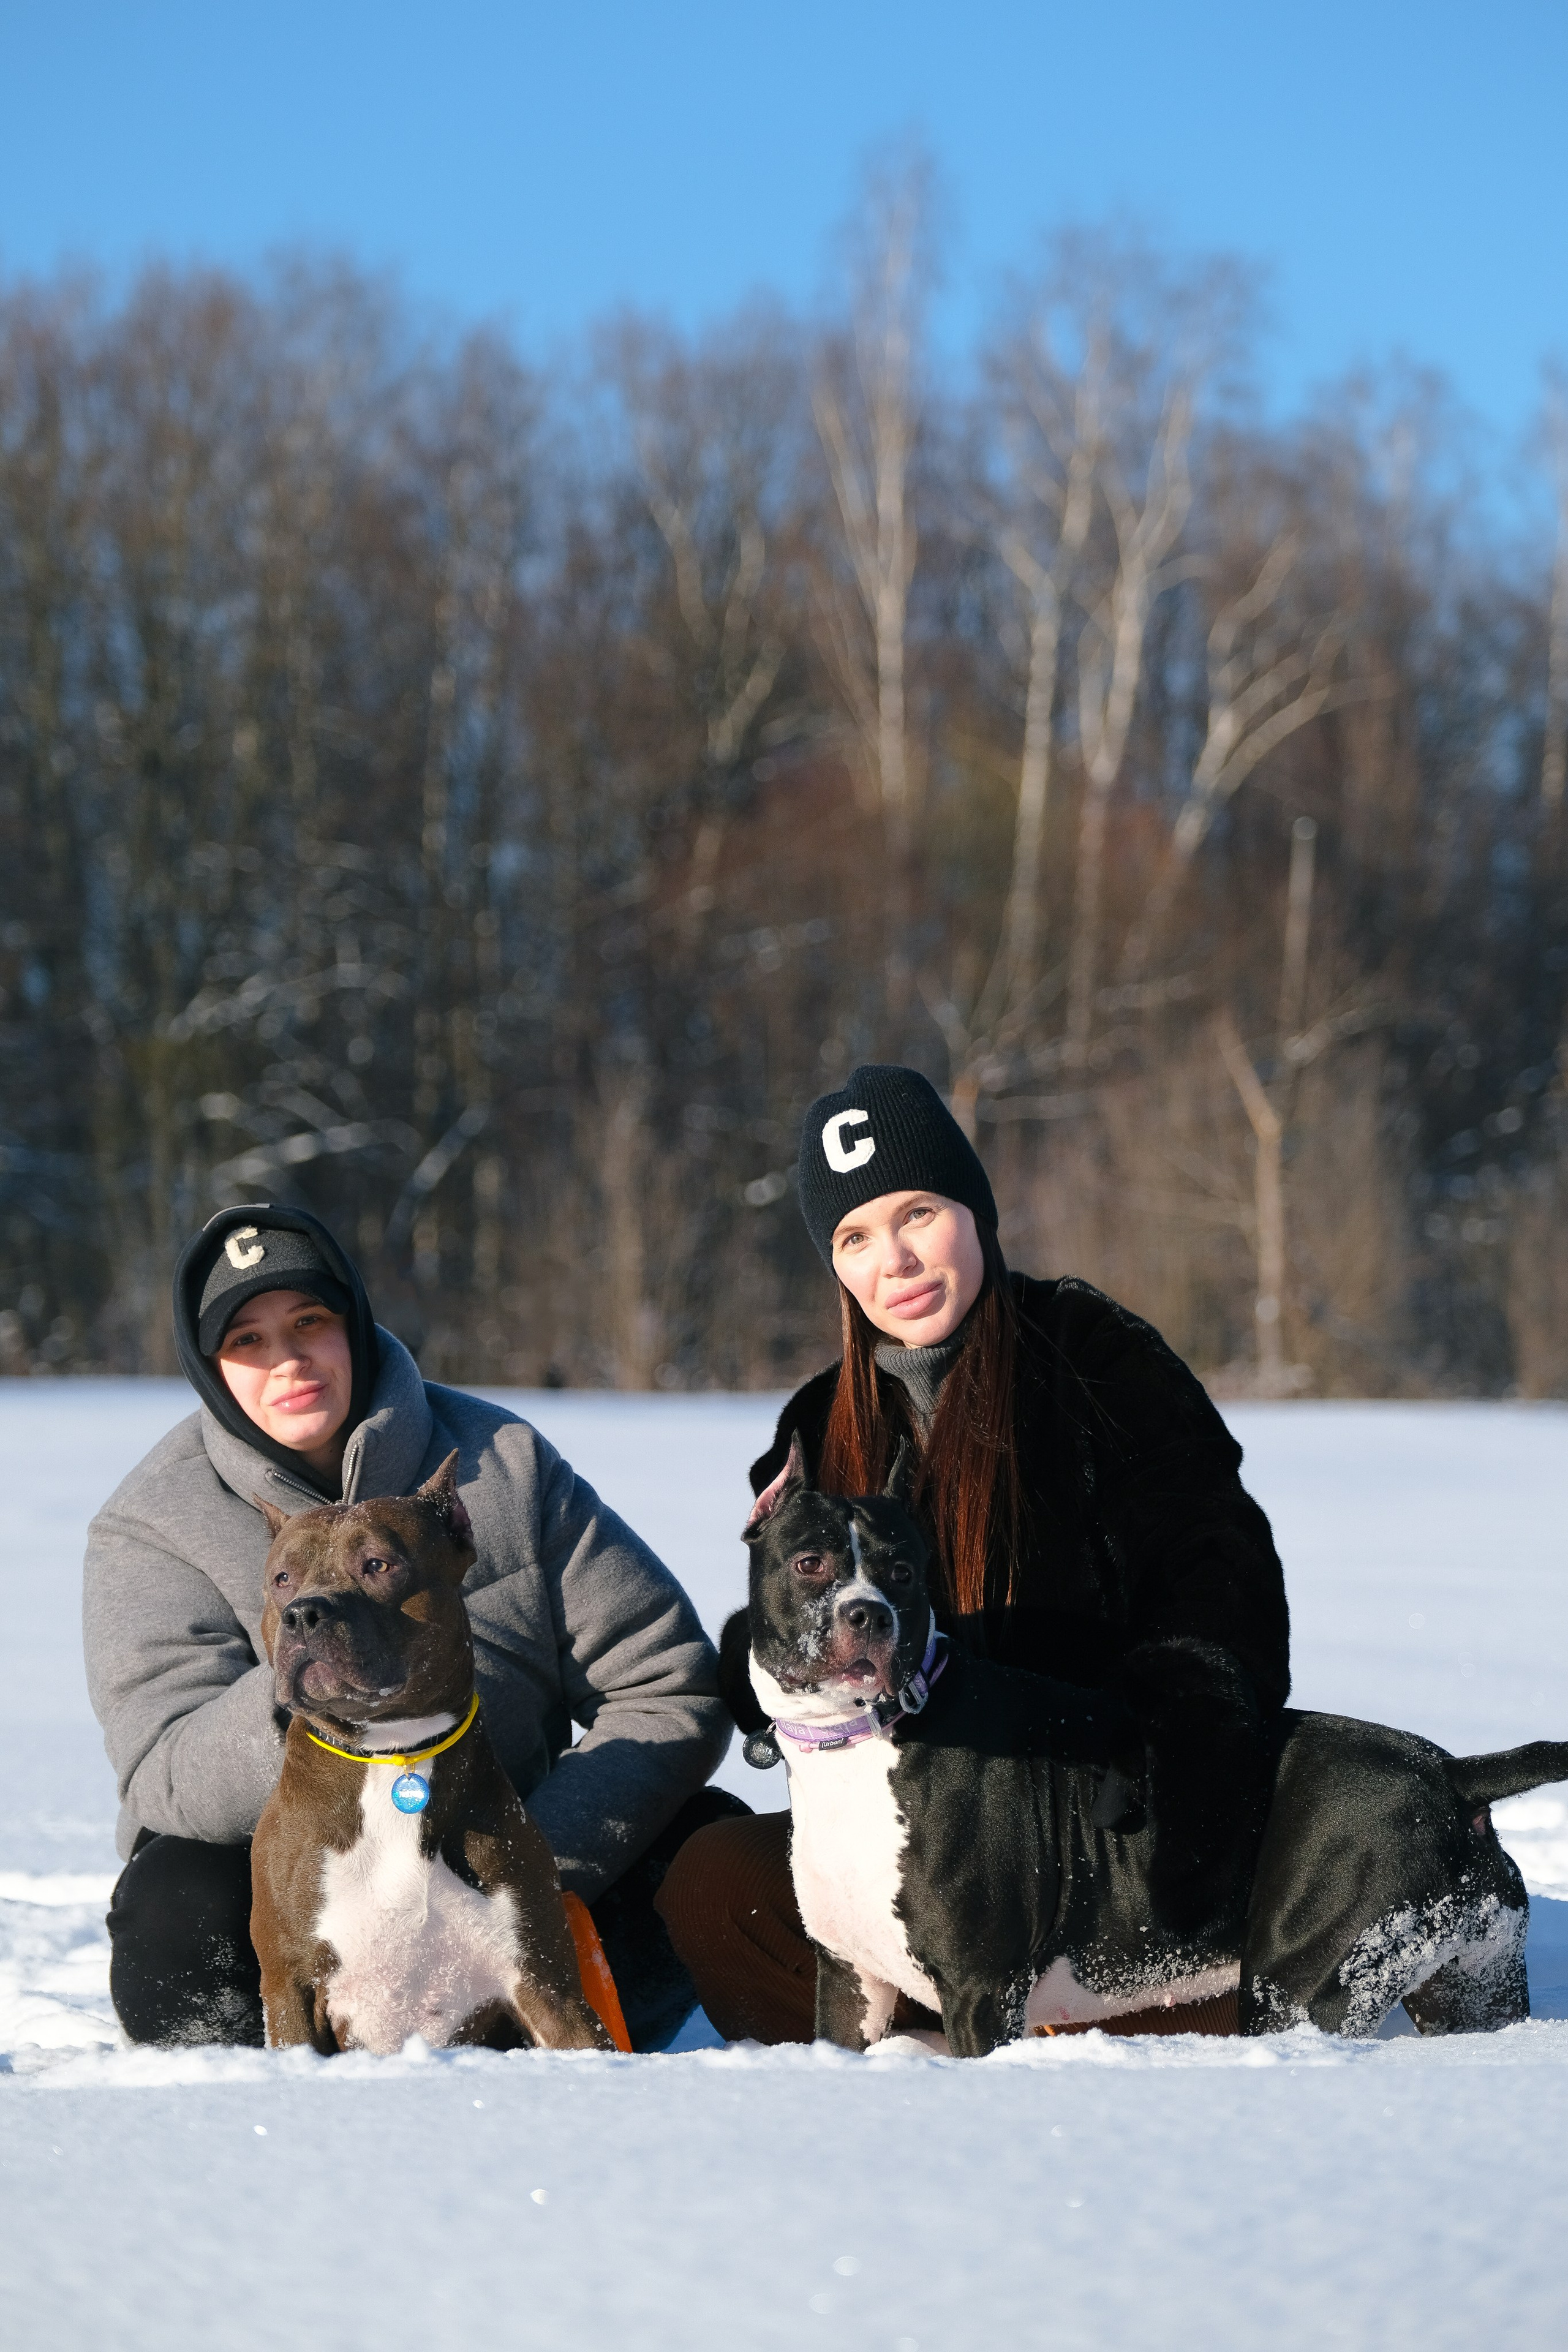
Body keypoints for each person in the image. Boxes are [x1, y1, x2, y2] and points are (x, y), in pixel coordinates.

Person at [656, 1063, 1291, 2041]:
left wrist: (1164, 1750)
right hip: (914, 1837)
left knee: (1210, 1923)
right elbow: (788, 1606)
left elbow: (1223, 1589)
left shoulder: (1098, 1361)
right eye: (856, 1237)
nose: (896, 1261)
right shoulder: (821, 1420)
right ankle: (924, 2039)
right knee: (714, 1884)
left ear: (975, 1211)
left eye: (918, 1214)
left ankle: (1047, 2019)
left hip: (1097, 1830)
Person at [85, 1202, 740, 2051]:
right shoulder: (153, 1522)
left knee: (705, 1848)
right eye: (246, 1340)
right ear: (210, 1367)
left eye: (309, 1322)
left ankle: (534, 2033)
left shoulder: (501, 1461)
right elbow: (161, 1769)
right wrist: (320, 1669)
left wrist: (528, 1867)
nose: (286, 1359)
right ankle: (271, 2100)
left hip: (507, 1847)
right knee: (172, 1901)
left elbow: (667, 1682)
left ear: (354, 1323)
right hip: (301, 1887)